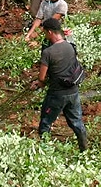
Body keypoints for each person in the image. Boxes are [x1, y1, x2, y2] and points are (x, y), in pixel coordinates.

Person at [36, 18, 88, 150]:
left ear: (50, 32)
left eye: (45, 34)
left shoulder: (48, 52)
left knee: (46, 123)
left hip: (56, 95)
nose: (45, 36)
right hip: (73, 91)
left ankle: (45, 152)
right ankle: (84, 148)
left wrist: (38, 83)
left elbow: (42, 78)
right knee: (77, 122)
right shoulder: (70, 46)